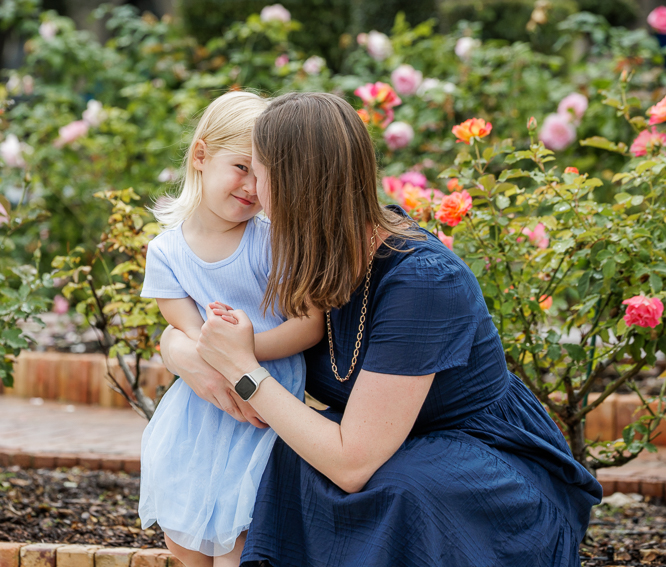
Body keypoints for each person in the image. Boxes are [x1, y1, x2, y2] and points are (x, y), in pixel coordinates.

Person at [159, 92, 603, 567]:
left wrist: (244, 371)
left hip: (485, 472)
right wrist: (184, 355)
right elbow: (192, 322)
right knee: (281, 456)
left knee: (397, 487)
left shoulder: (424, 282)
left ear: (291, 184)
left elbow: (352, 462)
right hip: (388, 449)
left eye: (258, 172)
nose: (252, 190)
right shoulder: (306, 251)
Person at [139, 91, 324, 567]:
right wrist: (217, 358)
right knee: (185, 536)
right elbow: (190, 335)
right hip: (200, 412)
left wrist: (247, 349)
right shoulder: (166, 253)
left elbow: (309, 324)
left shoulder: (270, 243)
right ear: (201, 155)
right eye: (242, 167)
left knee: (240, 544)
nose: (252, 187)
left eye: (263, 176)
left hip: (266, 405)